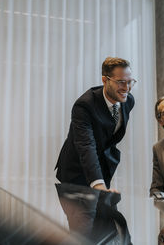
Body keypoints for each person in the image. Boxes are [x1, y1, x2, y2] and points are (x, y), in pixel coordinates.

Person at [55, 57, 136, 192]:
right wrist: (98, 184)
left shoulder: (128, 101)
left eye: (130, 82)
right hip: (76, 174)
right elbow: (86, 145)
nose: (126, 88)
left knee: (111, 214)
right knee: (84, 214)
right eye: (121, 82)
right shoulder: (84, 105)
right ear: (105, 80)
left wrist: (101, 182)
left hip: (102, 170)